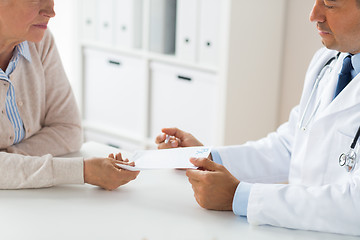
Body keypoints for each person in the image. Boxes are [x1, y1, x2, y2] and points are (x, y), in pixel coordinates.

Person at [156, 0, 360, 235]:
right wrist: (206, 158)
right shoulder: (327, 62)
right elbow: (289, 147)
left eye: (330, 5)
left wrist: (240, 197)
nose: (314, 15)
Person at [0, 0, 139, 190]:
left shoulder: (39, 43)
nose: (51, 11)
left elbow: (69, 130)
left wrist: (10, 161)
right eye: (35, 1)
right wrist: (83, 171)